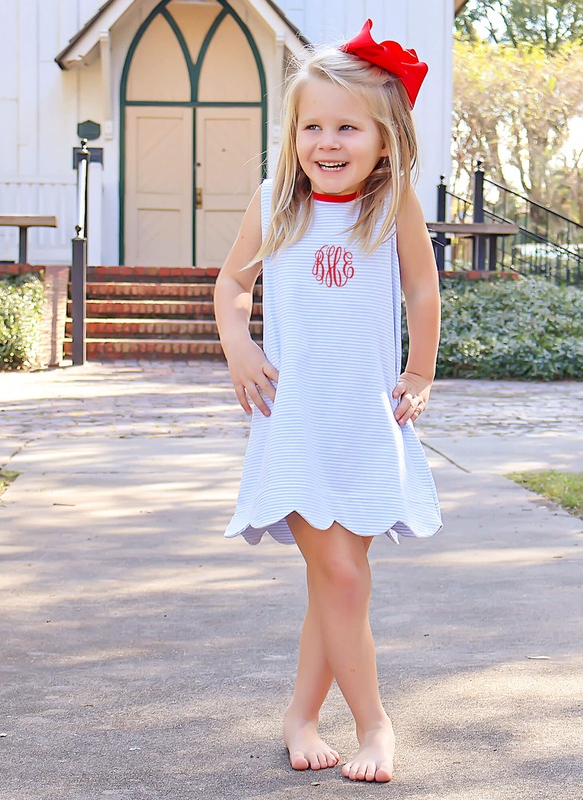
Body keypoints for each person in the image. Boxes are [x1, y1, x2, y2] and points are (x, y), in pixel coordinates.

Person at [213, 19, 442, 784]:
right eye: (313, 125)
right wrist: (241, 346)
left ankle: (300, 716)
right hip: (297, 420)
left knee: (335, 581)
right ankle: (377, 724)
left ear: (385, 139)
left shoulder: (394, 201)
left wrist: (418, 372)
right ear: (294, 133)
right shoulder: (277, 200)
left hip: (366, 418)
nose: (327, 141)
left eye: (347, 126)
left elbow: (420, 285)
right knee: (340, 577)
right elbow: (233, 283)